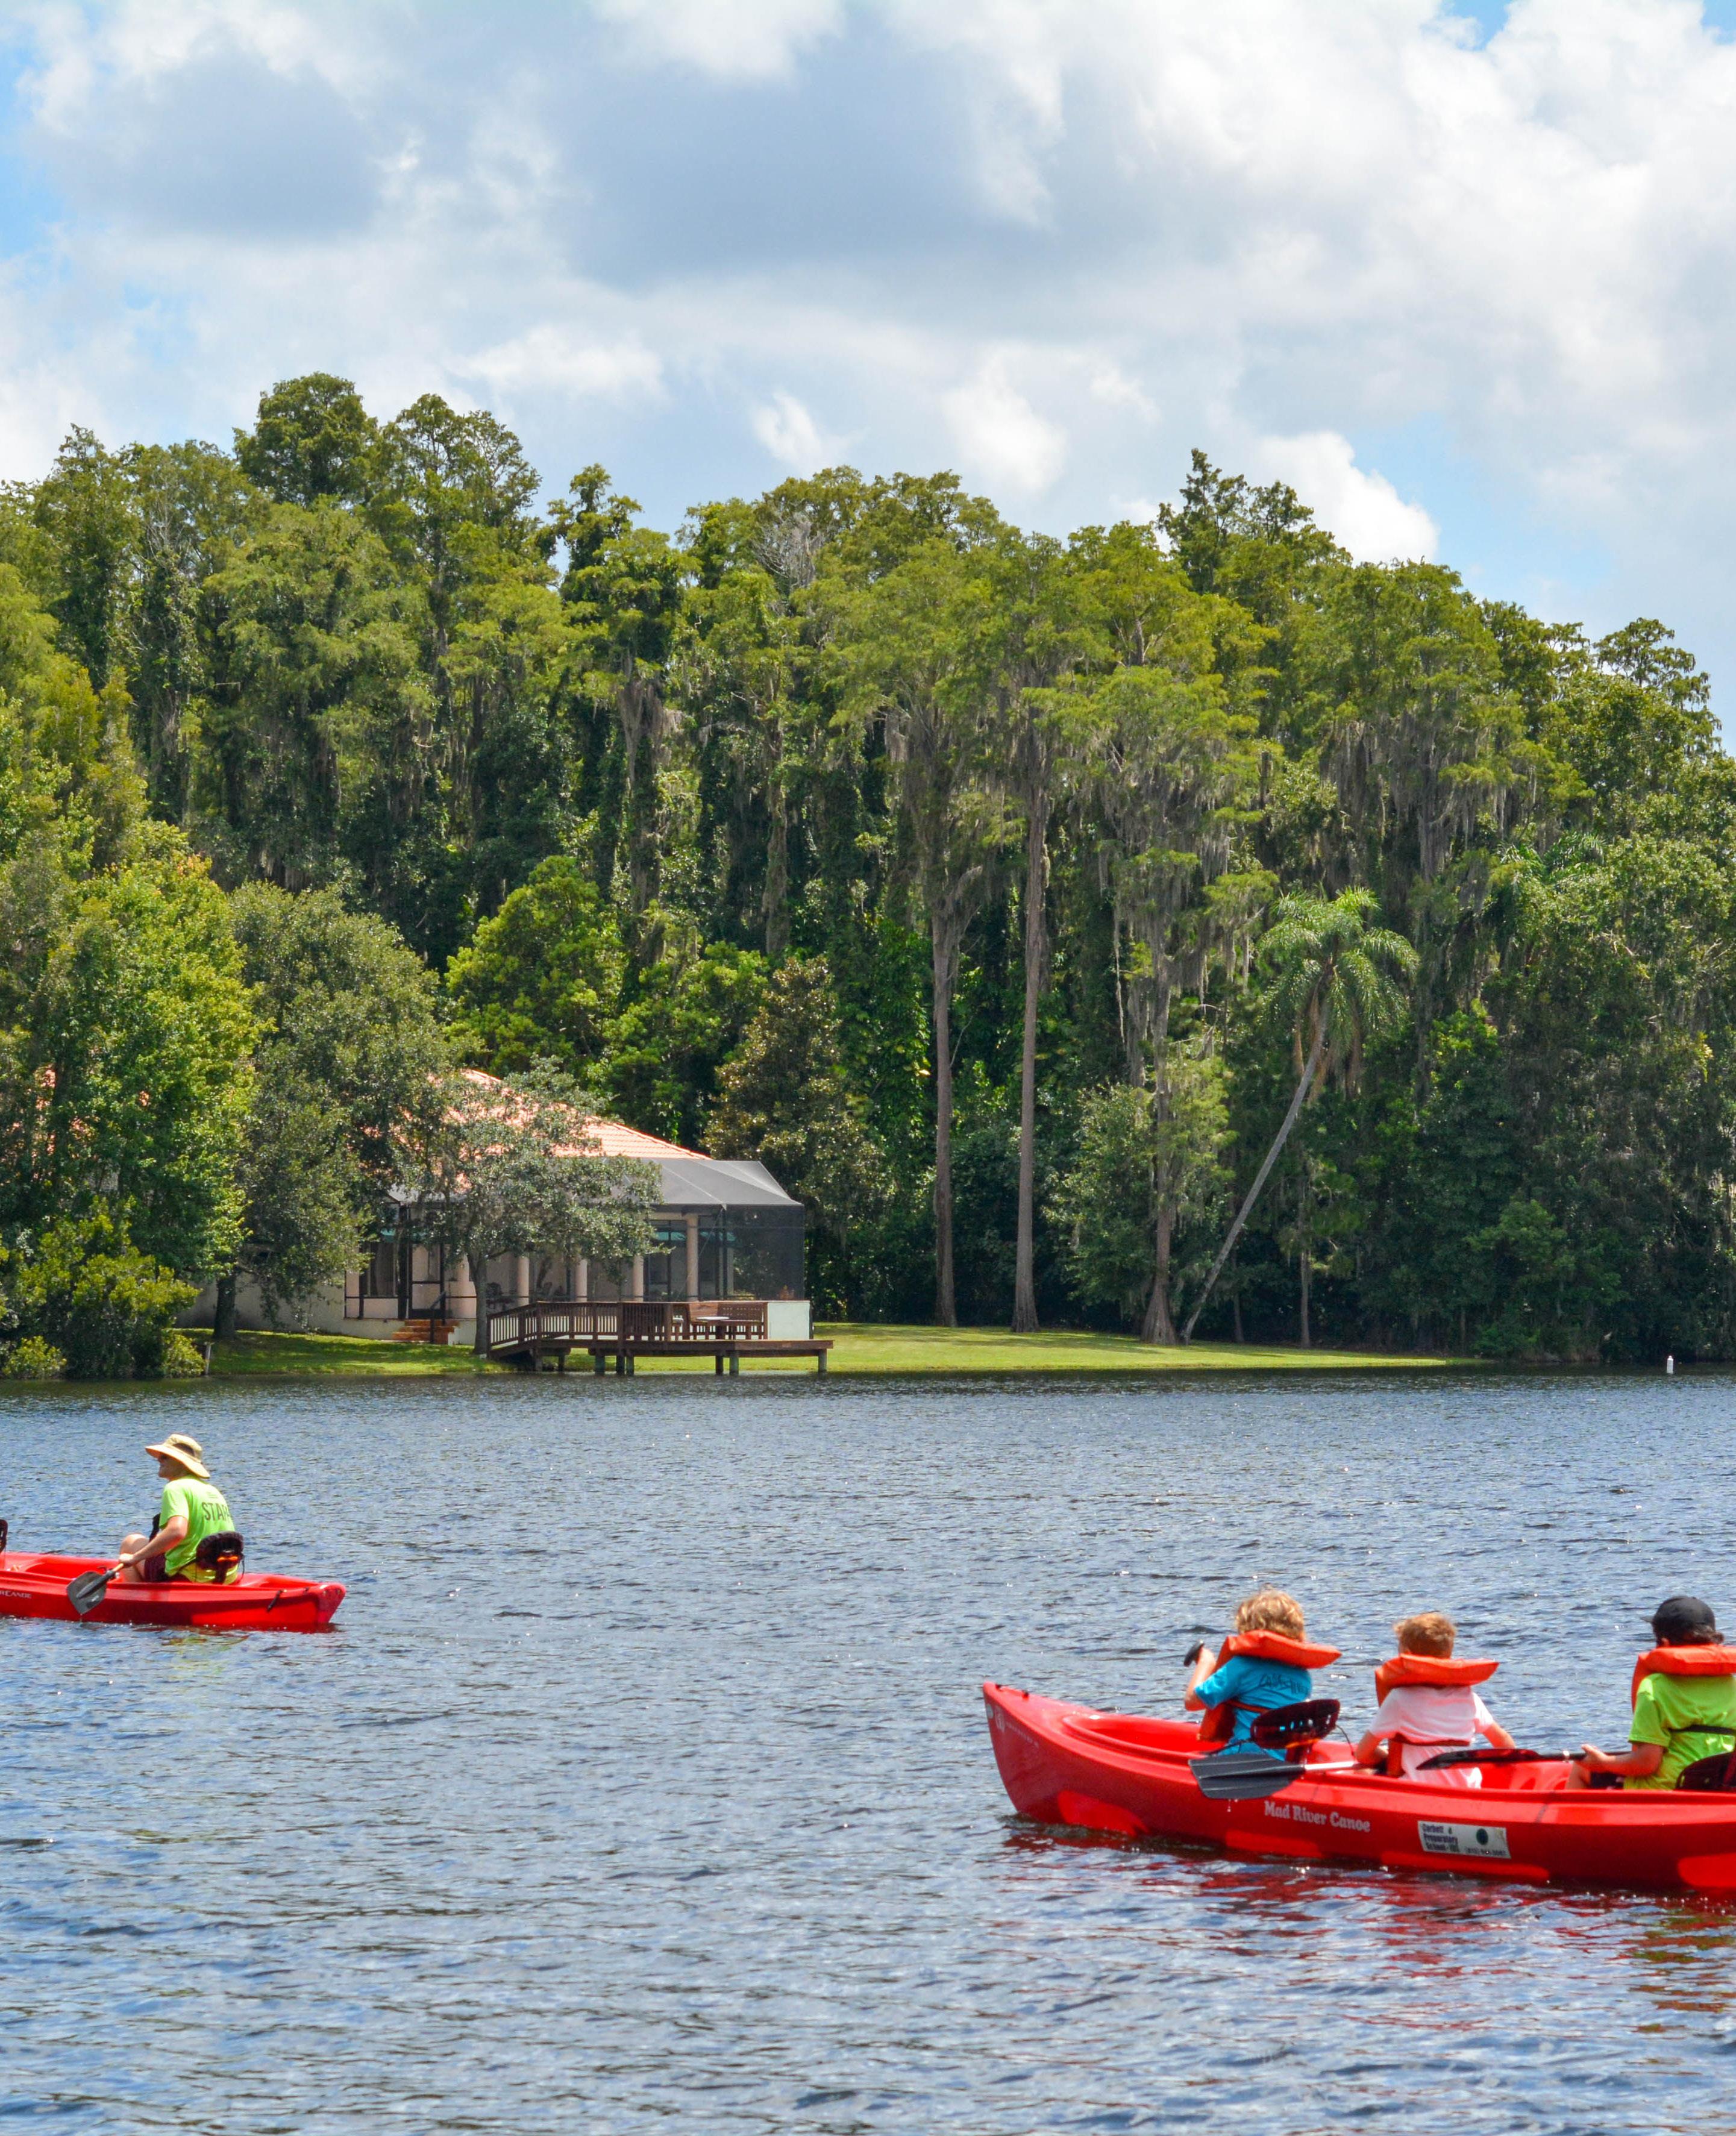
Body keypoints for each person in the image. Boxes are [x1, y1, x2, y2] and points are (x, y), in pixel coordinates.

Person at [1568, 1595, 1736, 1791]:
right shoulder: (1731, 1685)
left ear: (1664, 1643)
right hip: (1717, 1786)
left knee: (1580, 1769)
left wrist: (1603, 1762)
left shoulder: (1655, 1687)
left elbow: (1646, 1764)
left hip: (1667, 1788)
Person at [1353, 1611, 1515, 1788]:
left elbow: (1363, 1754)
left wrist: (1387, 1758)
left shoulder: (1399, 1699)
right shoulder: (1469, 1697)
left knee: (1361, 1772)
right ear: (1448, 1657)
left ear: (1406, 1655)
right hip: (1467, 1789)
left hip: (1422, 1790)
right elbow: (1505, 1744)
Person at [1184, 1588, 1340, 1758]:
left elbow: (1192, 1702)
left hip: (1242, 1759)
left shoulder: (1242, 1667)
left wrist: (1206, 1663)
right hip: (1284, 1761)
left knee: (1194, 1756)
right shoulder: (1303, 1677)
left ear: (1248, 1629)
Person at [113, 1434, 237, 1585]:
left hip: (186, 1575)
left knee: (130, 1542)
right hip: (224, 1575)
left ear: (181, 1462)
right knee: (146, 1544)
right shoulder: (213, 1490)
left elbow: (177, 1532)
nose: (159, 1459)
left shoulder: (175, 1487)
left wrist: (135, 1558)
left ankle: (140, 1598)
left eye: (165, 1456)